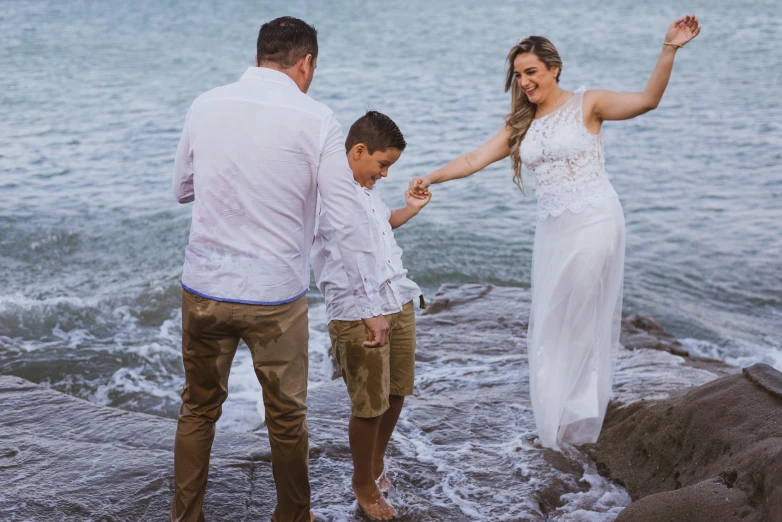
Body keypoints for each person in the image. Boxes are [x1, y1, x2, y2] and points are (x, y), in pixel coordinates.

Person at [410, 16, 701, 450]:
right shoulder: (521, 123)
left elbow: (646, 101)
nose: (525, 81)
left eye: (532, 72)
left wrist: (669, 48)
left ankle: (581, 411)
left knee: (580, 310)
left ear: (554, 69)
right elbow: (473, 159)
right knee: (552, 321)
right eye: (519, 75)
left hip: (596, 218)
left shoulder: (589, 102)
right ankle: (559, 412)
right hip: (553, 229)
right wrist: (431, 177)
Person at [171, 17, 391, 522]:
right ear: (305, 62)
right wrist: (369, 306)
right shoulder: (317, 119)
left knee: (198, 409)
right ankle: (292, 516)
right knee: (287, 418)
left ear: (258, 57)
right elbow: (343, 220)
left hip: (204, 287)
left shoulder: (206, 104)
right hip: (274, 299)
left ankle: (185, 517)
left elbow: (182, 188)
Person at [312, 111, 430, 520]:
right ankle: (362, 481)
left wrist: (409, 209)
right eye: (383, 164)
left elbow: (380, 228)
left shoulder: (367, 188)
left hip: (397, 298)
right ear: (358, 150)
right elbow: (342, 249)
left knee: (396, 391)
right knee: (368, 405)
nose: (384, 173)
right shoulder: (329, 191)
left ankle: (376, 463)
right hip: (354, 311)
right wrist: (367, 311)